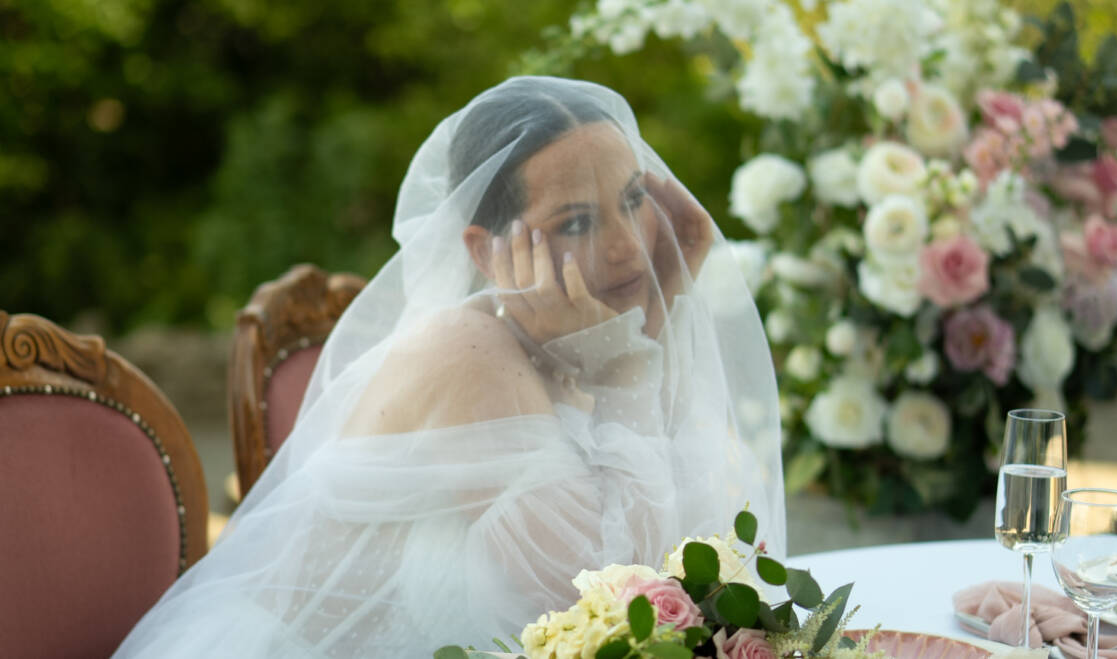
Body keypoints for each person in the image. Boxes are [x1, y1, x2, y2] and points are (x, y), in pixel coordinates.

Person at [114, 76, 785, 658]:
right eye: (576, 222)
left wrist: (655, 325)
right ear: (487, 252)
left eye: (634, 200)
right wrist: (627, 371)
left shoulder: (583, 344)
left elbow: (688, 567)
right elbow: (611, 603)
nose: (627, 247)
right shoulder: (467, 355)